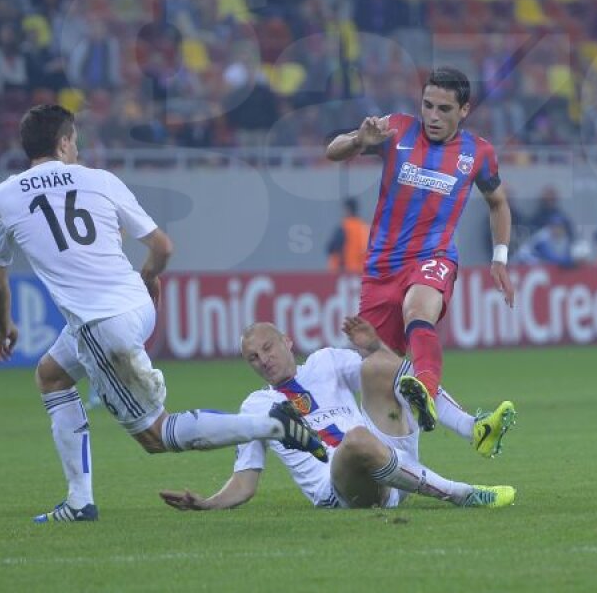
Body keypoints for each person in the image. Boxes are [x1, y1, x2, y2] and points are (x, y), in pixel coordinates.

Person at [0, 104, 328, 523]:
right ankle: (78, 500)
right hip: (137, 304)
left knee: (156, 435)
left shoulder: (3, 197)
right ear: (64, 142)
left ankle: (272, 424)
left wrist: (6, 329)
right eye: (75, 141)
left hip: (101, 324)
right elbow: (162, 247)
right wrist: (148, 276)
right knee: (51, 375)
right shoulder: (101, 180)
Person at [325, 67, 515, 435]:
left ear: (464, 110)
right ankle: (463, 431)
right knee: (380, 368)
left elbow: (498, 203)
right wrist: (359, 141)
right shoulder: (396, 128)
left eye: (444, 109)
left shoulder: (479, 153)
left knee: (417, 310)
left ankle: (424, 392)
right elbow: (332, 151)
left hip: (433, 256)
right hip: (381, 268)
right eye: (427, 105)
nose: (433, 116)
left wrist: (500, 258)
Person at [159, 318, 515, 513]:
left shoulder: (324, 361)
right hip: (344, 491)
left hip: (392, 459)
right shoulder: (256, 406)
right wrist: (206, 504)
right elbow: (245, 482)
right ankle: (462, 494)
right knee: (356, 440)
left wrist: (374, 346)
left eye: (267, 348)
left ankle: (474, 428)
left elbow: (389, 369)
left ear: (287, 341)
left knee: (379, 366)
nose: (263, 359)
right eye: (253, 358)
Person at [326, 198, 368, 274]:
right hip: (361, 272)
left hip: (346, 271)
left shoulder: (345, 226)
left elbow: (332, 248)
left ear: (347, 209)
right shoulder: (364, 227)